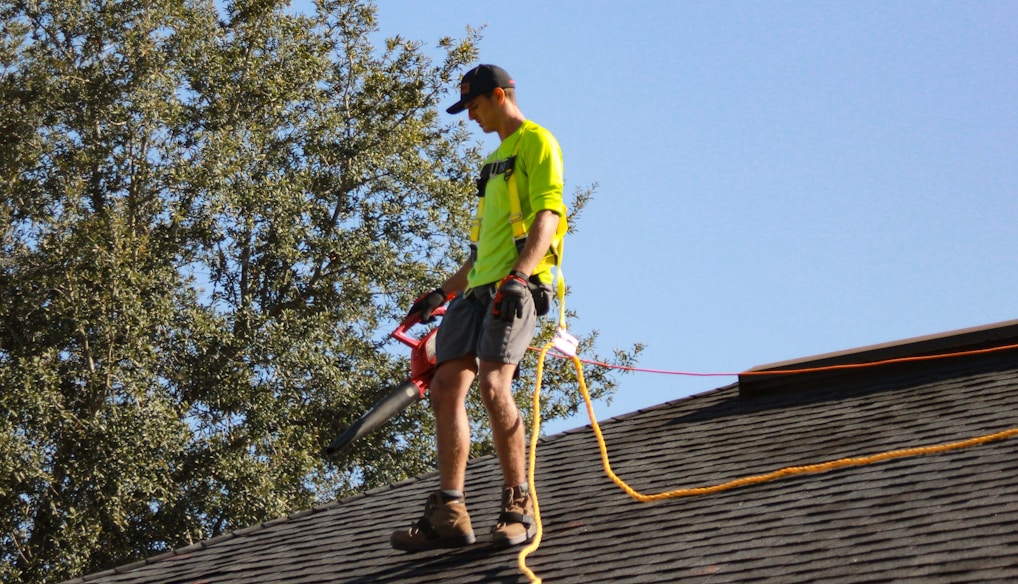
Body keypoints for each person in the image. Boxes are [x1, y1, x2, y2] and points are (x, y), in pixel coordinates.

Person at [390, 64, 566, 552]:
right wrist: (439, 295)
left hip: (515, 288)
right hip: (476, 291)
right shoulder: (493, 163)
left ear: (500, 95)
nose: (469, 117)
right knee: (445, 387)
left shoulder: (536, 142)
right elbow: (477, 253)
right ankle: (450, 510)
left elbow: (548, 216)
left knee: (493, 386)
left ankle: (519, 506)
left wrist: (521, 277)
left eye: (474, 105)